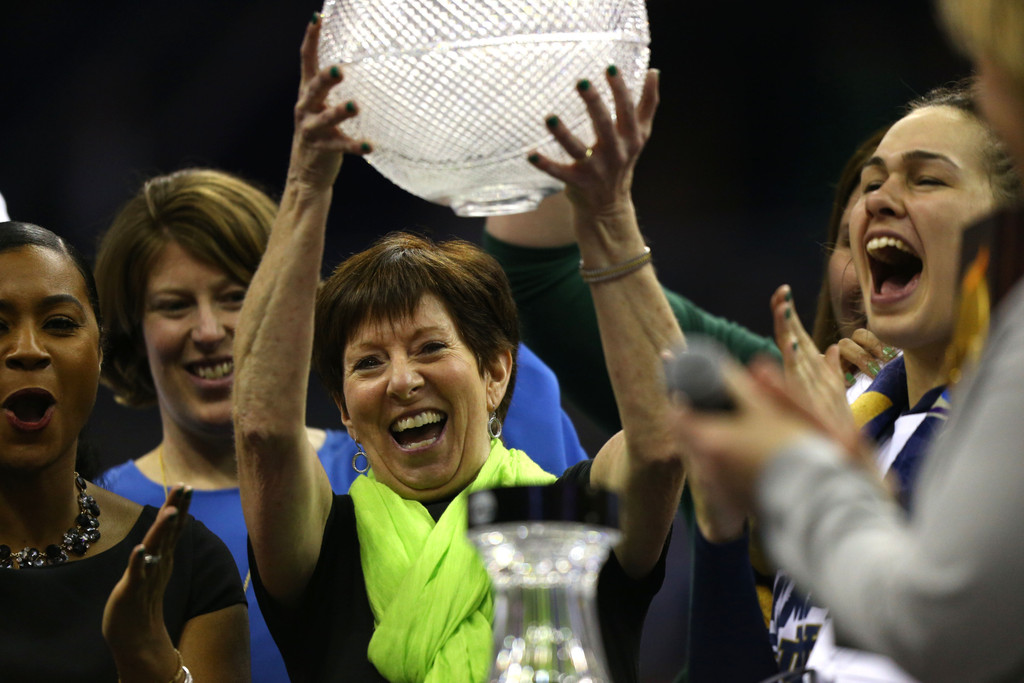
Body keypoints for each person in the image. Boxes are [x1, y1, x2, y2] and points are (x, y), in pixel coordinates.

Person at [235, 16, 685, 682]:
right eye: (369, 362)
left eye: (428, 348)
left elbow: (666, 439)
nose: (401, 380)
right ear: (345, 410)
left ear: (496, 371)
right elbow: (262, 431)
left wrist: (609, 218)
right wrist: (306, 187)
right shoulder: (321, 545)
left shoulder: (574, 522)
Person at [93, 168, 587, 682]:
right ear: (129, 328)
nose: (210, 330)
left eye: (238, 297)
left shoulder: (402, 454)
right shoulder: (98, 510)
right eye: (174, 306)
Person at [672, 4, 1024, 673]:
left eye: (927, 179)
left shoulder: (992, 409)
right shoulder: (853, 415)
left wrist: (799, 470)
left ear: (1008, 220)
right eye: (869, 184)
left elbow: (939, 626)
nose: (878, 201)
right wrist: (721, 531)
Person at [0, 220, 248, 681]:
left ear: (99, 351)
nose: (28, 350)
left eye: (59, 323)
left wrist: (153, 666)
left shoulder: (188, 565)